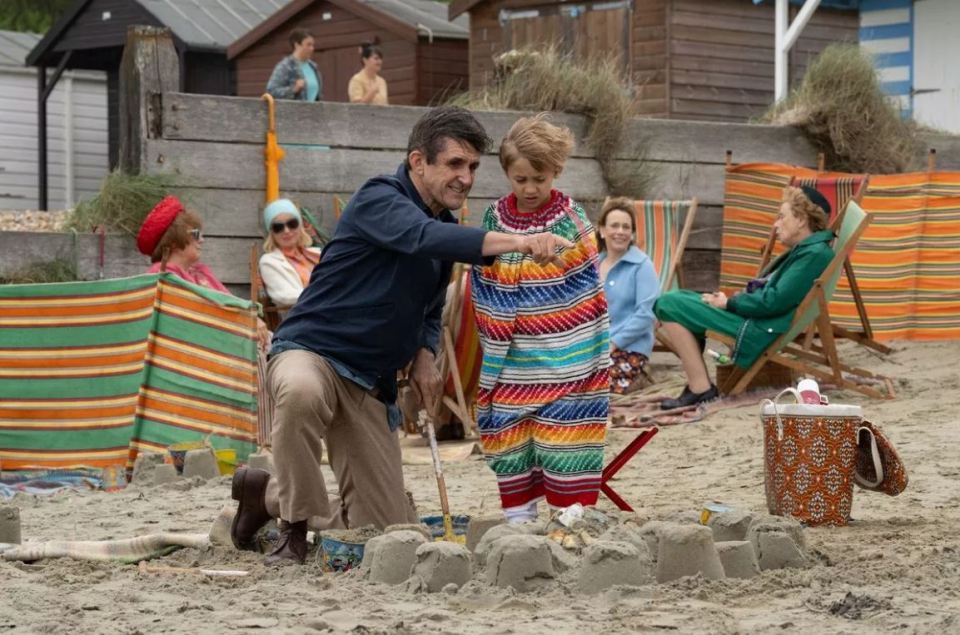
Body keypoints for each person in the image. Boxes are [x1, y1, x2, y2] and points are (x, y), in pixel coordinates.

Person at [228, 106, 575, 565]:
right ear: (418, 162)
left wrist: (426, 352)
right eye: (454, 164)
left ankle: (264, 497)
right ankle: (292, 533)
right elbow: (420, 236)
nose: (466, 178)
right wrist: (520, 242)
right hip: (310, 352)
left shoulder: (444, 233)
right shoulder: (380, 198)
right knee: (301, 393)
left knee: (384, 530)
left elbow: (430, 309)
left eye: (472, 167)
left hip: (370, 379)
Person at [471, 114, 609, 524]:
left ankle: (569, 525)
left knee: (562, 440)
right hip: (511, 360)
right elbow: (482, 275)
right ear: (507, 174)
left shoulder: (573, 218)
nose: (530, 188)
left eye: (539, 178)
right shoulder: (495, 218)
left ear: (556, 172)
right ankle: (519, 526)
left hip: (565, 359)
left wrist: (555, 256)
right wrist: (515, 263)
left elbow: (587, 288)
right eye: (520, 179)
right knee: (513, 443)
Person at [654, 185, 835, 409]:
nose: (776, 224)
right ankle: (698, 385)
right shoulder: (810, 251)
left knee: (668, 304)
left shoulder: (814, 254)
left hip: (758, 327)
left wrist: (729, 303)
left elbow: (774, 302)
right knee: (680, 297)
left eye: (781, 217)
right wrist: (728, 302)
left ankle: (700, 388)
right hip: (760, 320)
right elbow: (775, 298)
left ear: (800, 220)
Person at [137, 196, 270, 349]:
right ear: (173, 241)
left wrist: (251, 318)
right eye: (195, 234)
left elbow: (230, 302)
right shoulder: (162, 276)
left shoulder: (199, 273)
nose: (202, 240)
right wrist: (249, 321)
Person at [597, 197, 660, 394]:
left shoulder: (642, 265)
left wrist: (613, 343)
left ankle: (639, 376)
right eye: (614, 225)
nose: (620, 232)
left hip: (630, 348)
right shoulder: (594, 265)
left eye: (626, 227)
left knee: (594, 388)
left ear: (632, 233)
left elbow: (646, 314)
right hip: (595, 347)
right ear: (602, 230)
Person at [258, 198, 321, 308]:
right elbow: (284, 296)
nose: (286, 231)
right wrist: (325, 297)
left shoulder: (317, 254)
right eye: (278, 227)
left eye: (292, 224)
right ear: (271, 233)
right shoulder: (269, 261)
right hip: (304, 317)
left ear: (300, 226)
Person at [266, 28, 322, 101]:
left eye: (312, 45)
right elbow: (271, 91)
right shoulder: (286, 66)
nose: (312, 48)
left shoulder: (313, 67)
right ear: (297, 45)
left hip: (314, 111)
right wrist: (293, 89)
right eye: (308, 45)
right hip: (293, 111)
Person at [348, 41, 388, 105]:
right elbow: (356, 107)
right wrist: (372, 93)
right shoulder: (357, 80)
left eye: (380, 59)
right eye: (376, 58)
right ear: (365, 60)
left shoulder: (382, 81)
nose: (379, 62)